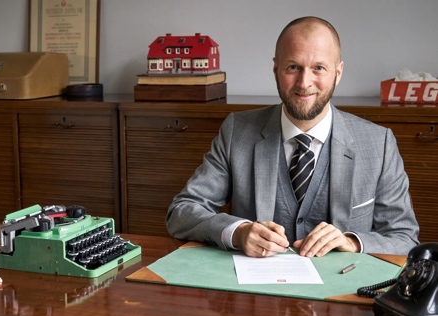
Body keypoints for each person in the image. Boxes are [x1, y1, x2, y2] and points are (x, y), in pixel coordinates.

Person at [166, 16, 419, 258]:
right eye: (293, 67)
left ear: (338, 73)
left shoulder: (379, 144)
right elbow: (181, 213)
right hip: (255, 294)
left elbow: (405, 239)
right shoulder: (237, 131)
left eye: (319, 68)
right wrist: (239, 232)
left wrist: (352, 242)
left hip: (344, 296)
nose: (304, 82)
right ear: (276, 69)